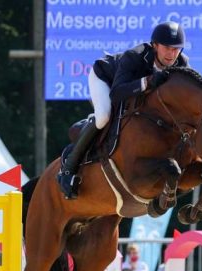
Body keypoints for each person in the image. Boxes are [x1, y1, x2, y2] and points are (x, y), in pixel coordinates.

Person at [57, 21, 190, 199]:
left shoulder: (181, 63)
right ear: (155, 45)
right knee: (104, 117)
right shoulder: (134, 56)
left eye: (176, 49)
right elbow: (117, 93)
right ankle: (68, 168)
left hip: (131, 93)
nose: (171, 54)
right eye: (167, 47)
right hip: (105, 79)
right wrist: (147, 82)